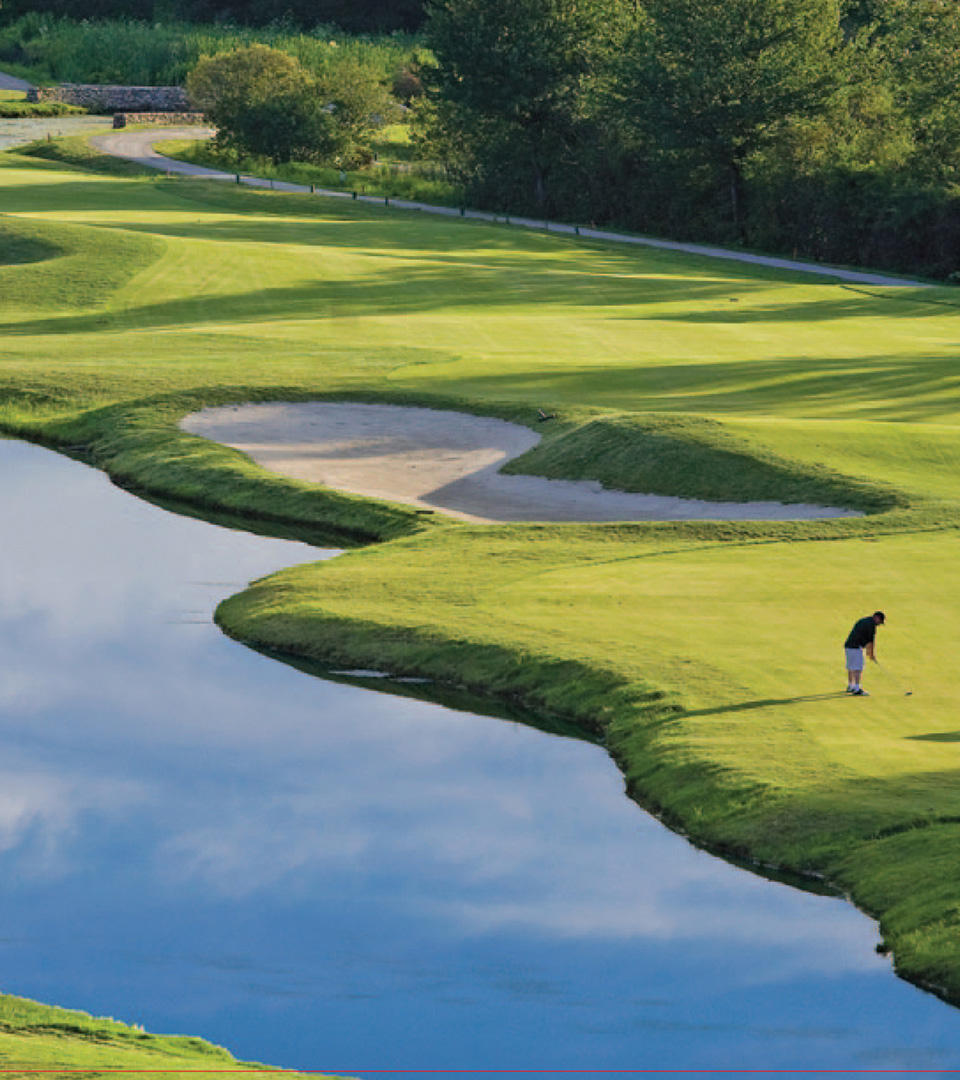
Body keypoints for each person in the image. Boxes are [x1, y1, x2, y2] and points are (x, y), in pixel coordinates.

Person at [844, 611, 885, 696]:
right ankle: (856, 688)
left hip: (849, 646)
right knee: (858, 668)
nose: (879, 624)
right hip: (856, 647)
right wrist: (871, 654)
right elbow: (870, 642)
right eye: (880, 622)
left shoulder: (864, 620)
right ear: (876, 617)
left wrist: (868, 652)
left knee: (851, 667)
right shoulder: (871, 625)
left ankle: (851, 686)